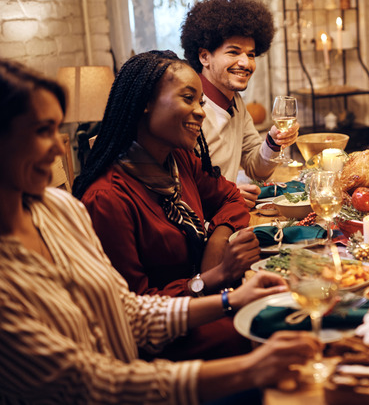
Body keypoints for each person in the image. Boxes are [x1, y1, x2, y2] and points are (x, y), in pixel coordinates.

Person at [0, 58, 318, 403]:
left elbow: (127, 310)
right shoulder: (103, 199)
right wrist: (245, 361)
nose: (56, 147)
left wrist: (230, 295)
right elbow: (88, 381)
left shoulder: (58, 210)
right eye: (41, 131)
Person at [73, 51, 265, 361]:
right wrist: (214, 277)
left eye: (200, 102)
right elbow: (133, 310)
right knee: (260, 332)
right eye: (188, 98)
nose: (200, 112)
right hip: (159, 341)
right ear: (145, 102)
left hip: (203, 305)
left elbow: (230, 197)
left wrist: (217, 243)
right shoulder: (107, 199)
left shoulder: (178, 161)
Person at [181, 0, 299, 208]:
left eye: (251, 55)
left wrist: (273, 140)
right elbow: (180, 186)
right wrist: (228, 194)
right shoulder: (188, 109)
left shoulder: (235, 102)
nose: (245, 63)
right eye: (233, 52)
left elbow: (256, 170)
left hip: (229, 215)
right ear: (204, 57)